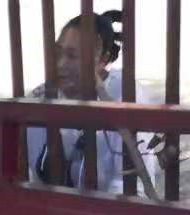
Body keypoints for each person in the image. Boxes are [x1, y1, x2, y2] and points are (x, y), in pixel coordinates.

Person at [24, 11, 158, 193]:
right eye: (57, 53)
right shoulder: (40, 97)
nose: (60, 64)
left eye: (72, 56)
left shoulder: (124, 96)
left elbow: (132, 188)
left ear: (102, 59)